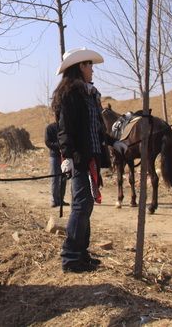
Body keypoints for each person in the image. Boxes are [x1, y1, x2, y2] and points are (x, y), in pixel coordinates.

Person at [52, 47, 128, 273]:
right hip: (78, 158)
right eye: (89, 65)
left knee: (85, 205)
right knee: (81, 204)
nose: (92, 70)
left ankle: (82, 254)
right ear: (80, 67)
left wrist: (113, 142)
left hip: (91, 156)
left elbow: (94, 127)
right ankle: (71, 257)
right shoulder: (70, 94)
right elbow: (65, 129)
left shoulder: (91, 94)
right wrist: (67, 156)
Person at [44, 122, 67, 207]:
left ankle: (61, 199)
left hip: (64, 156)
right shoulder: (49, 128)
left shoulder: (64, 126)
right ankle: (54, 200)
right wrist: (59, 146)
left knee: (63, 178)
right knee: (55, 178)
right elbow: (48, 142)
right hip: (54, 156)